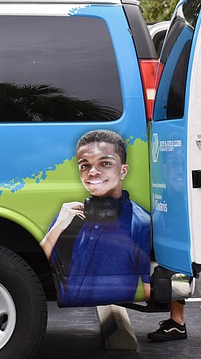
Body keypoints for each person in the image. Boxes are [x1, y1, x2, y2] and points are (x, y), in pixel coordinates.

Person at [41, 129, 152, 306]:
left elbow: (149, 292)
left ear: (123, 171)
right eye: (84, 165)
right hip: (68, 318)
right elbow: (34, 271)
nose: (92, 172)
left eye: (105, 163)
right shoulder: (68, 216)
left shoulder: (140, 224)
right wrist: (57, 228)